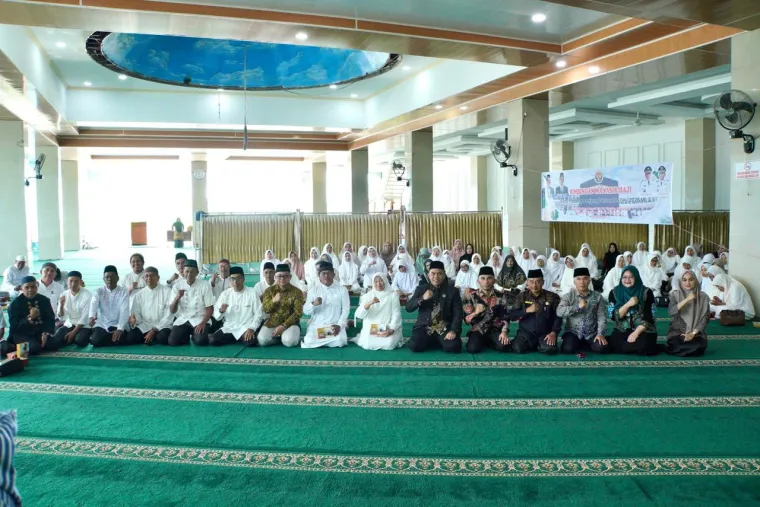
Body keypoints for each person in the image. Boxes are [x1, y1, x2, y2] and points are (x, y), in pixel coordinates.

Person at [406, 261, 462, 353]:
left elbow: (458, 313)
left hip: (443, 326)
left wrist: (453, 330)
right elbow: (408, 308)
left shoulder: (453, 291)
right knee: (415, 346)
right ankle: (436, 340)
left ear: (444, 275)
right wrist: (422, 298)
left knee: (453, 347)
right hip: (424, 326)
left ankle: (436, 340)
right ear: (428, 275)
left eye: (439, 273)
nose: (436, 277)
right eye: (433, 273)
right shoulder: (421, 289)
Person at [606, 266, 658, 355]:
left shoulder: (646, 292)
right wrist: (628, 304)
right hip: (622, 329)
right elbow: (613, 317)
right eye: (624, 277)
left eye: (631, 277)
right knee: (615, 344)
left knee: (645, 345)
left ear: (636, 277)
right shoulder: (614, 292)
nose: (627, 280)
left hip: (643, 330)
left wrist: (635, 333)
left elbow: (650, 317)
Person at [507, 269, 561, 354]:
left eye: (538, 282)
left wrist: (554, 333)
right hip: (526, 333)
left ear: (543, 282)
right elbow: (512, 316)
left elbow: (558, 317)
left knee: (549, 349)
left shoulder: (552, 297)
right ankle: (536, 344)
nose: (534, 285)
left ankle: (537, 344)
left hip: (545, 333)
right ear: (527, 283)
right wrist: (526, 310)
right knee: (517, 348)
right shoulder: (521, 296)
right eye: (531, 282)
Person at [1, 275, 57, 355]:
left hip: (39, 332)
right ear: (22, 288)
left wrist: (46, 332)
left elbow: (50, 318)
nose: (30, 290)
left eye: (33, 287)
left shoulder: (44, 300)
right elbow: (15, 326)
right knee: (34, 348)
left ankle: (36, 343)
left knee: (53, 344)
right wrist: (30, 318)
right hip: (21, 334)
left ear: (37, 286)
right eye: (27, 287)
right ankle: (12, 346)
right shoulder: (15, 304)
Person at [557, 267, 608, 354]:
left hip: (591, 333)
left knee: (602, 348)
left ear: (589, 280)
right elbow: (559, 312)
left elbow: (601, 317)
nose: (582, 282)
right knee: (567, 349)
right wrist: (577, 307)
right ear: (574, 281)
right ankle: (579, 343)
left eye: (585, 278)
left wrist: (600, 334)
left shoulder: (597, 297)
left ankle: (583, 343)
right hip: (573, 332)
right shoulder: (568, 296)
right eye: (578, 279)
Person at [210, 266, 262, 347]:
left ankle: (235, 338)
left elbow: (258, 313)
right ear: (230, 280)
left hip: (245, 328)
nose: (235, 281)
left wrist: (252, 328)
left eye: (238, 278)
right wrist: (221, 311)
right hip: (229, 328)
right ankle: (236, 338)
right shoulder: (225, 294)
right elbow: (217, 317)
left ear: (243, 279)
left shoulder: (252, 293)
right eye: (233, 279)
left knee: (252, 342)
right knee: (213, 340)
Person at [462, 266, 509, 354]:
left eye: (489, 278)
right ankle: (484, 341)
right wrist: (475, 313)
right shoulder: (471, 296)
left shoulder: (501, 296)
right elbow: (466, 321)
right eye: (483, 278)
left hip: (495, 329)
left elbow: (505, 316)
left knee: (504, 346)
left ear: (494, 280)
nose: (486, 282)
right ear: (478, 281)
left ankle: (488, 341)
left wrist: (504, 332)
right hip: (478, 329)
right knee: (472, 349)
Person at [302, 263, 350, 348]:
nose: (326, 275)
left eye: (329, 273)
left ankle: (322, 340)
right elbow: (305, 311)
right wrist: (313, 304)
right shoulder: (313, 291)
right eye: (323, 273)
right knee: (309, 340)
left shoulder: (342, 290)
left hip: (334, 326)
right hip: (317, 325)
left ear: (333, 274)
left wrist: (339, 325)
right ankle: (327, 339)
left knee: (341, 340)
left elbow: (346, 310)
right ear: (319, 276)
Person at [168, 259, 215, 346]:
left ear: (197, 273)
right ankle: (187, 335)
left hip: (200, 318)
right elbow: (172, 310)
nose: (189, 274)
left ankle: (195, 335)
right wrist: (177, 298)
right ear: (183, 272)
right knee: (173, 341)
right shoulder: (177, 286)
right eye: (187, 271)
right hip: (183, 319)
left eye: (192, 272)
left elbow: (210, 308)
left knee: (200, 341)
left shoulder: (204, 285)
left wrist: (203, 323)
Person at [353, 273, 403, 350]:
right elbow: (359, 315)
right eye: (376, 281)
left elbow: (396, 314)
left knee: (389, 344)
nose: (378, 283)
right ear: (373, 283)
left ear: (385, 281)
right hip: (372, 328)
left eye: (381, 281)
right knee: (367, 344)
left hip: (387, 327)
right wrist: (370, 303)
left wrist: (392, 329)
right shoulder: (368, 295)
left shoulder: (393, 295)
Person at [259, 264, 305, 347]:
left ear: (290, 277)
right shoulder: (269, 291)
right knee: (262, 340)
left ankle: (285, 337)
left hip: (291, 324)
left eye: (285, 276)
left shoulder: (297, 292)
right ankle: (280, 338)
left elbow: (298, 313)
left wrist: (284, 326)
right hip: (273, 323)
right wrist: (273, 301)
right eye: (279, 276)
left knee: (289, 342)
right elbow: (265, 309)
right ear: (275, 277)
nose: (282, 278)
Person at [126, 267, 174, 346]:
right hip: (145, 325)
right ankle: (150, 337)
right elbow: (136, 314)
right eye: (146, 276)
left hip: (162, 325)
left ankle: (151, 337)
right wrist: (134, 322)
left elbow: (169, 315)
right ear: (143, 278)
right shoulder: (139, 295)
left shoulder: (167, 292)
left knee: (162, 337)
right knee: (130, 338)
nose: (149, 278)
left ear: (158, 278)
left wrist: (154, 330)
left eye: (152, 275)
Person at [666, 270, 709, 357]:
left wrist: (692, 334)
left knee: (699, 346)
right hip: (678, 331)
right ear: (681, 282)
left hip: (696, 333)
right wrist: (687, 299)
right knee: (678, 345)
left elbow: (705, 318)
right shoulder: (675, 295)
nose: (688, 283)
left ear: (695, 281)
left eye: (691, 280)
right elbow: (671, 312)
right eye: (684, 280)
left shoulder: (703, 297)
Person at [87, 266, 131, 347]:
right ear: (104, 279)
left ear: (117, 278)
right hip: (103, 324)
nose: (109, 279)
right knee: (95, 341)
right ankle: (108, 337)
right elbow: (93, 304)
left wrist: (120, 329)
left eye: (112, 276)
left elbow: (124, 311)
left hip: (117, 324)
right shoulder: (98, 291)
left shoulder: (123, 291)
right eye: (107, 277)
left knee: (123, 337)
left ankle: (107, 337)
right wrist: (91, 317)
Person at [53, 271, 93, 348]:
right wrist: (61, 305)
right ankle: (70, 338)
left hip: (83, 325)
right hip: (70, 323)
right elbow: (61, 318)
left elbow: (85, 317)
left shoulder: (87, 295)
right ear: (67, 282)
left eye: (76, 281)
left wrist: (73, 333)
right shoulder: (64, 294)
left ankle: (73, 337)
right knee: (55, 340)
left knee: (80, 341)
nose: (73, 284)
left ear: (80, 282)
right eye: (70, 281)